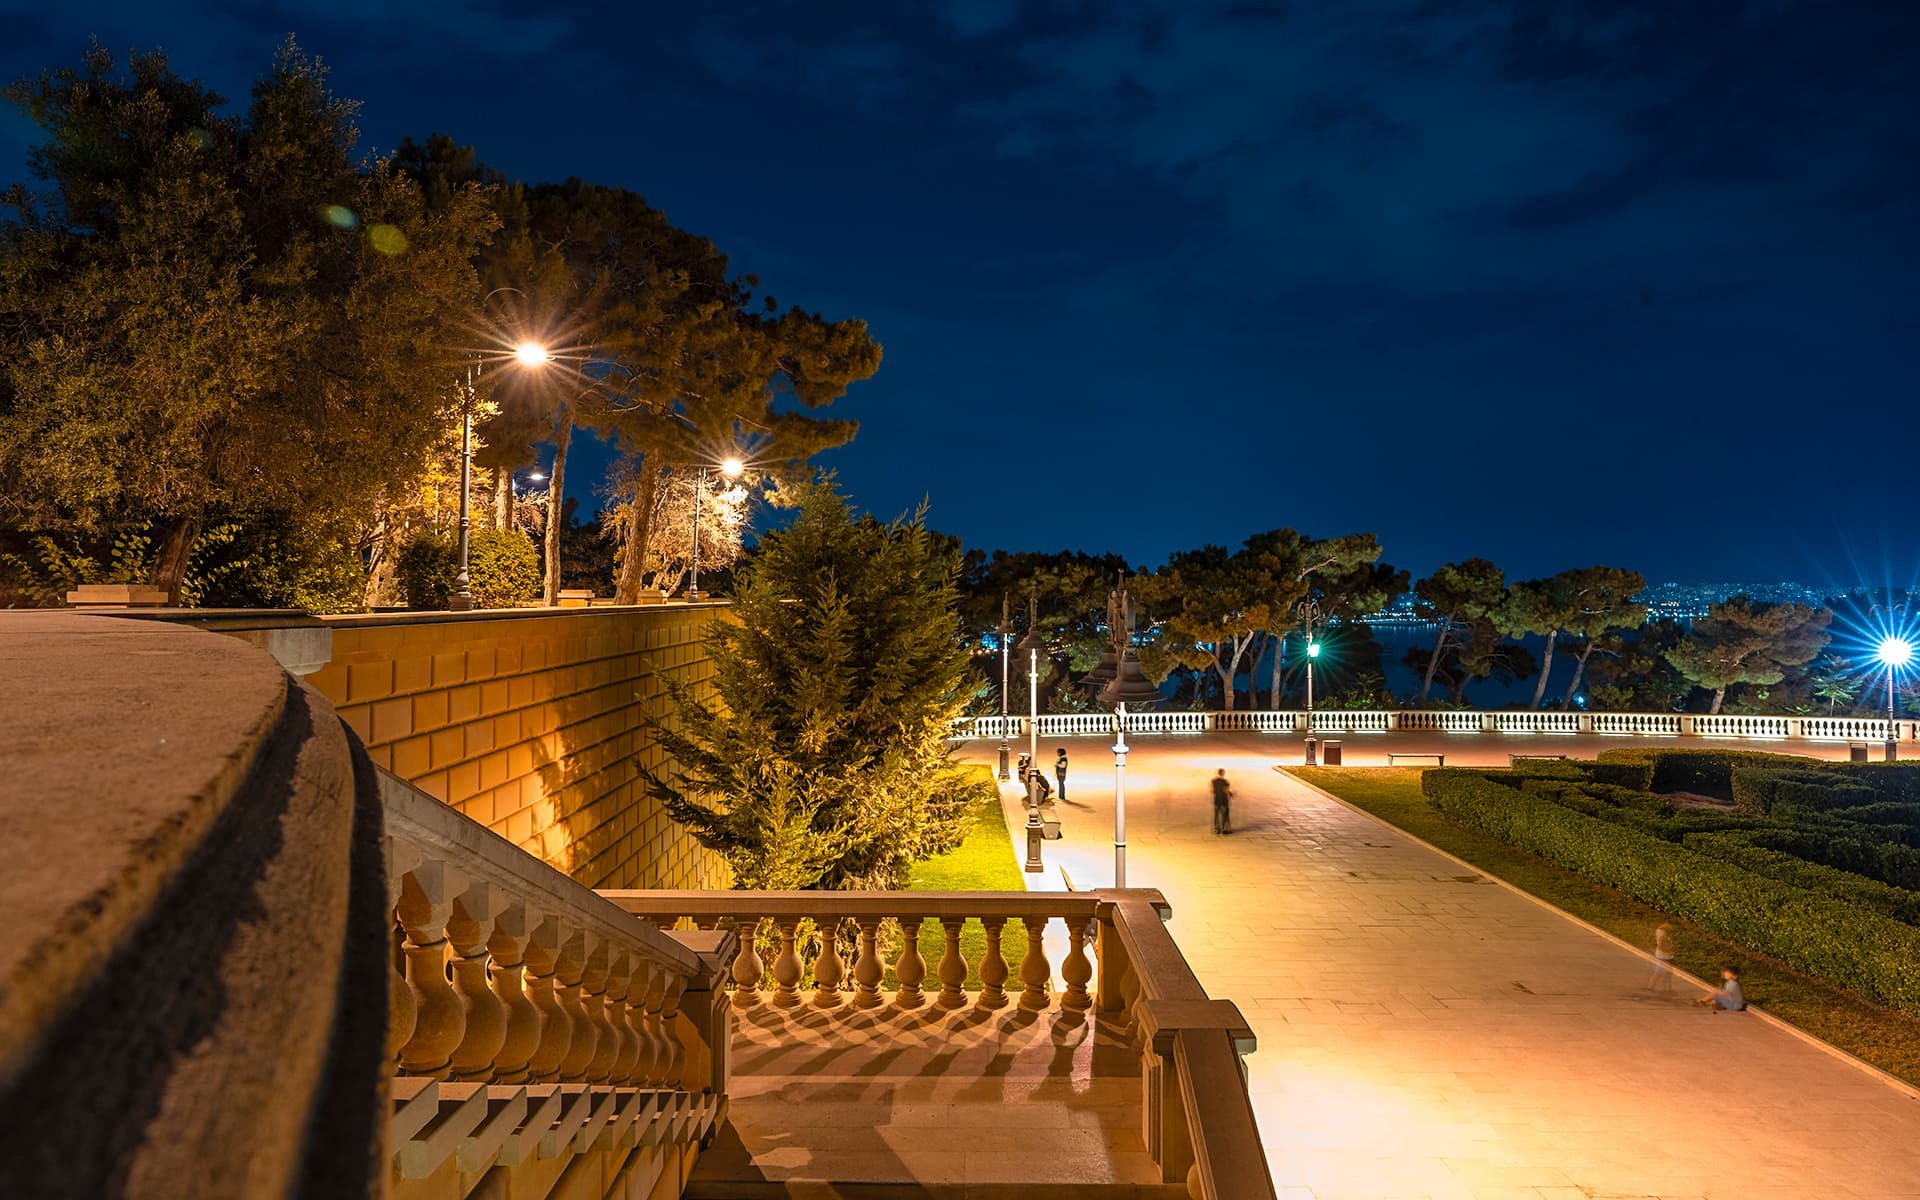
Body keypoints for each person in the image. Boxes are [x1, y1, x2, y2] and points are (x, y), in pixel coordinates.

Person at [1645, 922, 1676, 996]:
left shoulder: (1660, 932)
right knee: (1659, 972)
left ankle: (1666, 989)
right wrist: (1670, 949)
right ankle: (1651, 987)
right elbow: (1661, 946)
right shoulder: (1663, 935)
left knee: (1665, 973)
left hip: (1664, 956)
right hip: (1664, 957)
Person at [1211, 769, 1233, 835]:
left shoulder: (1213, 781)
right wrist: (1231, 794)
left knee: (1216, 815)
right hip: (1224, 801)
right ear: (1223, 773)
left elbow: (1212, 791)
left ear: (1218, 773)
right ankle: (1224, 830)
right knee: (1225, 815)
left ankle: (1216, 829)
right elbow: (1227, 791)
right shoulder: (1225, 782)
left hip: (1217, 800)